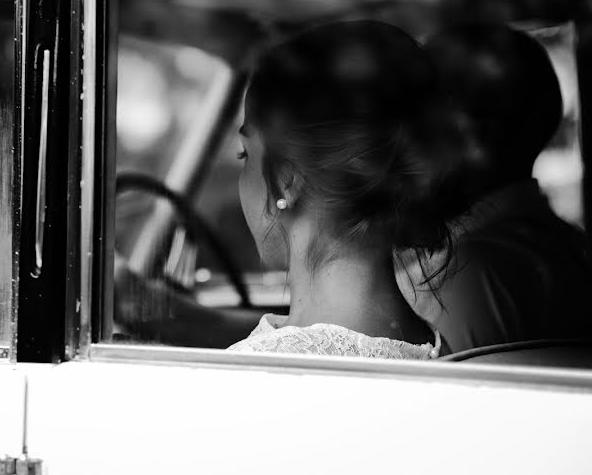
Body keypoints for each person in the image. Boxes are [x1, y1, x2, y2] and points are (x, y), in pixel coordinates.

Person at [228, 20, 464, 358]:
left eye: (244, 154)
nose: (243, 175)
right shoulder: (428, 345)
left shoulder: (264, 370)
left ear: (286, 180)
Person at [395, 23, 592, 353]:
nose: (400, 140)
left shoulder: (466, 277)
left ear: (476, 138)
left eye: (420, 119)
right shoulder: (569, 248)